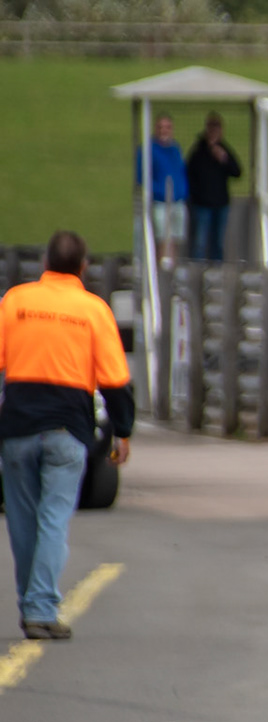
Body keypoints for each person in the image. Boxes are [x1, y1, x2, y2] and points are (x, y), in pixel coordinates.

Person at [0, 231, 134, 639]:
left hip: (18, 426)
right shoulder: (93, 310)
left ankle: (31, 605)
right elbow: (115, 380)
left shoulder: (16, 302)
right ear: (84, 267)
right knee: (53, 519)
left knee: (22, 520)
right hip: (67, 428)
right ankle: (41, 608)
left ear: (44, 263)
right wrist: (122, 431)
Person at [185, 111, 243, 262]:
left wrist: (224, 158)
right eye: (211, 127)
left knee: (217, 242)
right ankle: (196, 268)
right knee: (200, 242)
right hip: (202, 204)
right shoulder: (198, 151)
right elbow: (189, 173)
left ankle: (217, 269)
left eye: (217, 128)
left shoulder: (224, 149)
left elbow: (237, 172)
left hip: (221, 203)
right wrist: (195, 195)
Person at [135, 113, 188, 266]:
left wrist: (183, 190)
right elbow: (142, 176)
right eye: (161, 127)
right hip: (160, 202)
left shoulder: (175, 148)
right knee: (162, 237)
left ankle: (172, 268)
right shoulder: (147, 149)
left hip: (178, 200)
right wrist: (157, 191)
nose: (164, 130)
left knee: (176, 237)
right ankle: (160, 268)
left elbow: (180, 172)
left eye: (167, 127)